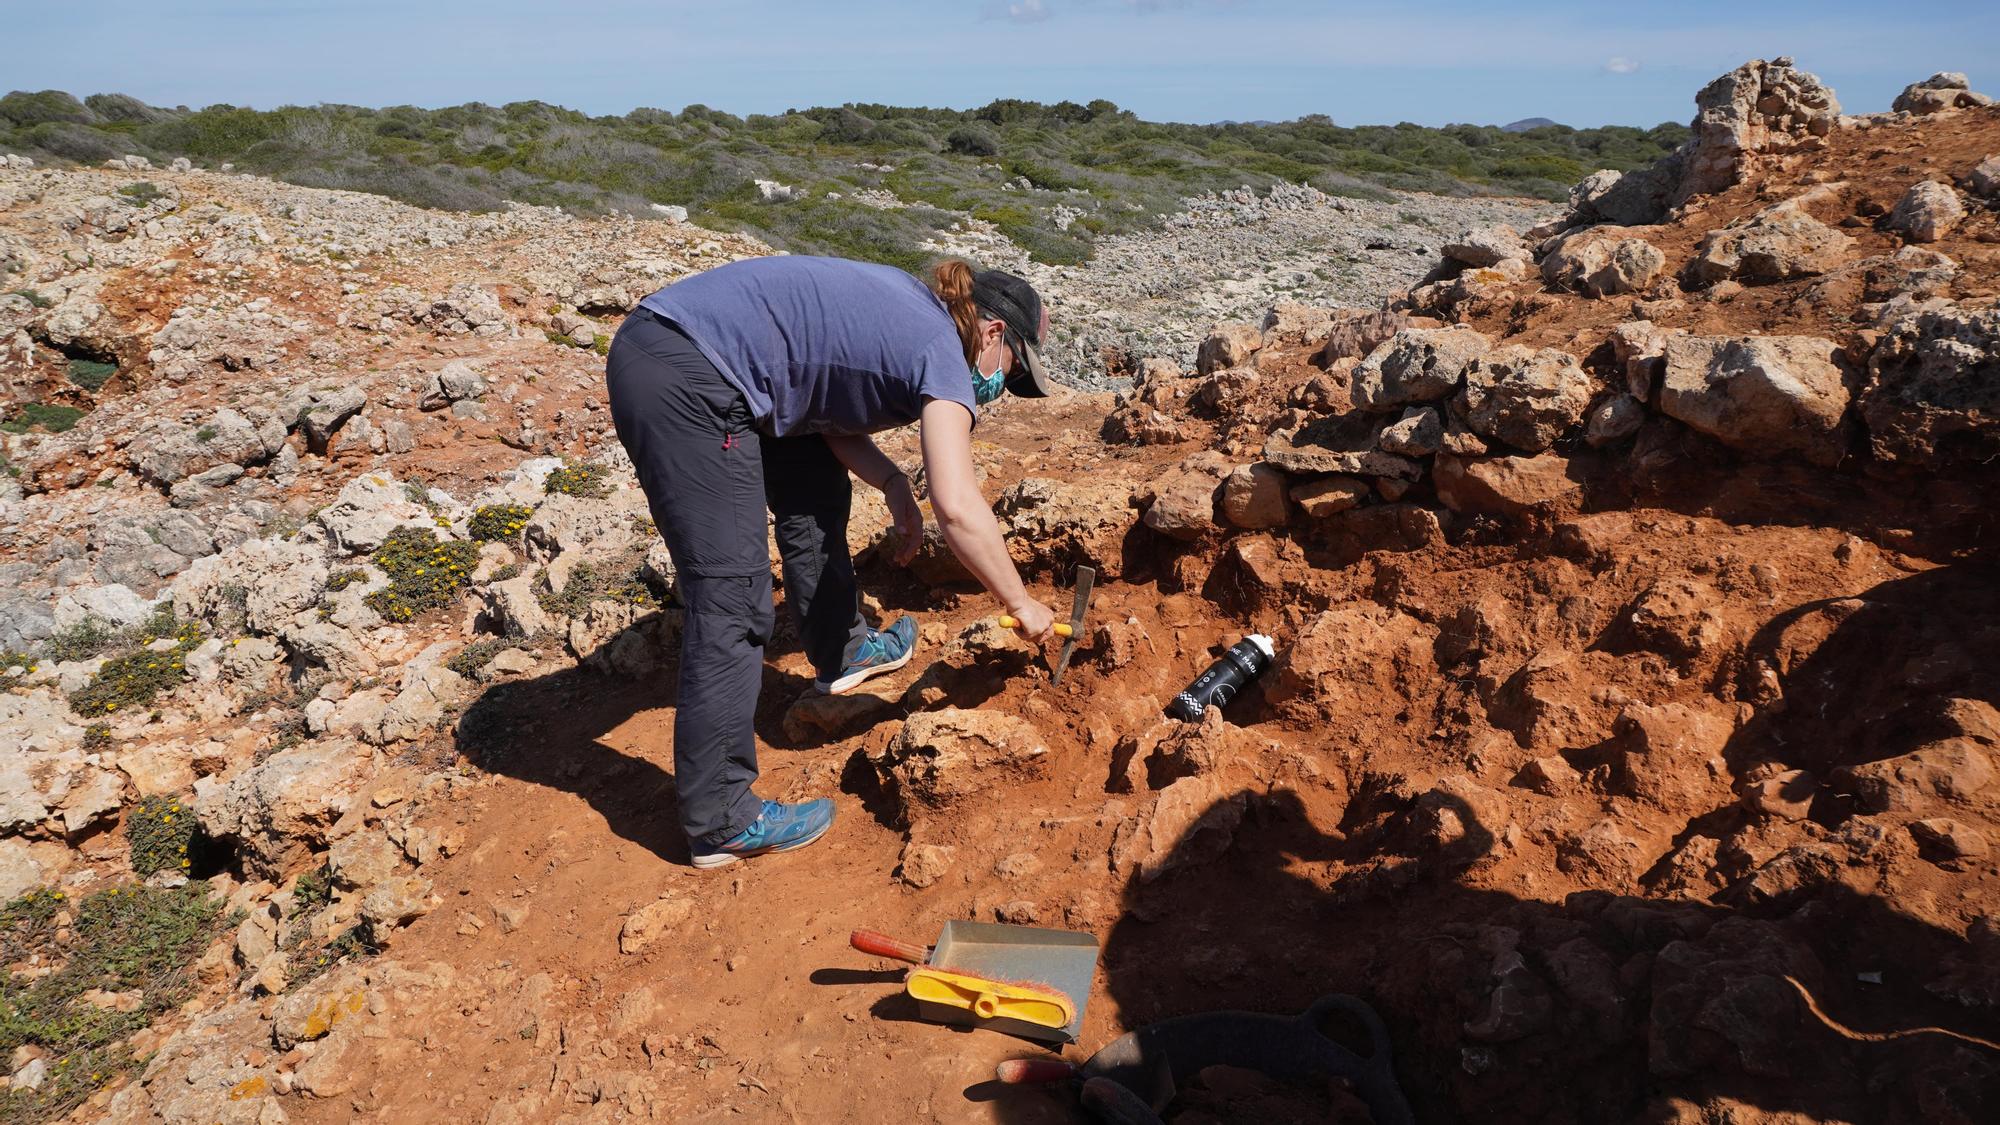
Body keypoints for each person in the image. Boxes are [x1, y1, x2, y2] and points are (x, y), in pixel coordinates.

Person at [604, 255, 1063, 869]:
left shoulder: (914, 309)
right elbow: (958, 507)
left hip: (696, 354)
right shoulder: (944, 353)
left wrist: (894, 482)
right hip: (688, 374)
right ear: (993, 333)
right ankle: (719, 819)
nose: (1002, 387)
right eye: (1010, 370)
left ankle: (842, 651)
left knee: (815, 490)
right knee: (734, 595)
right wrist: (1020, 603)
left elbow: (822, 401)